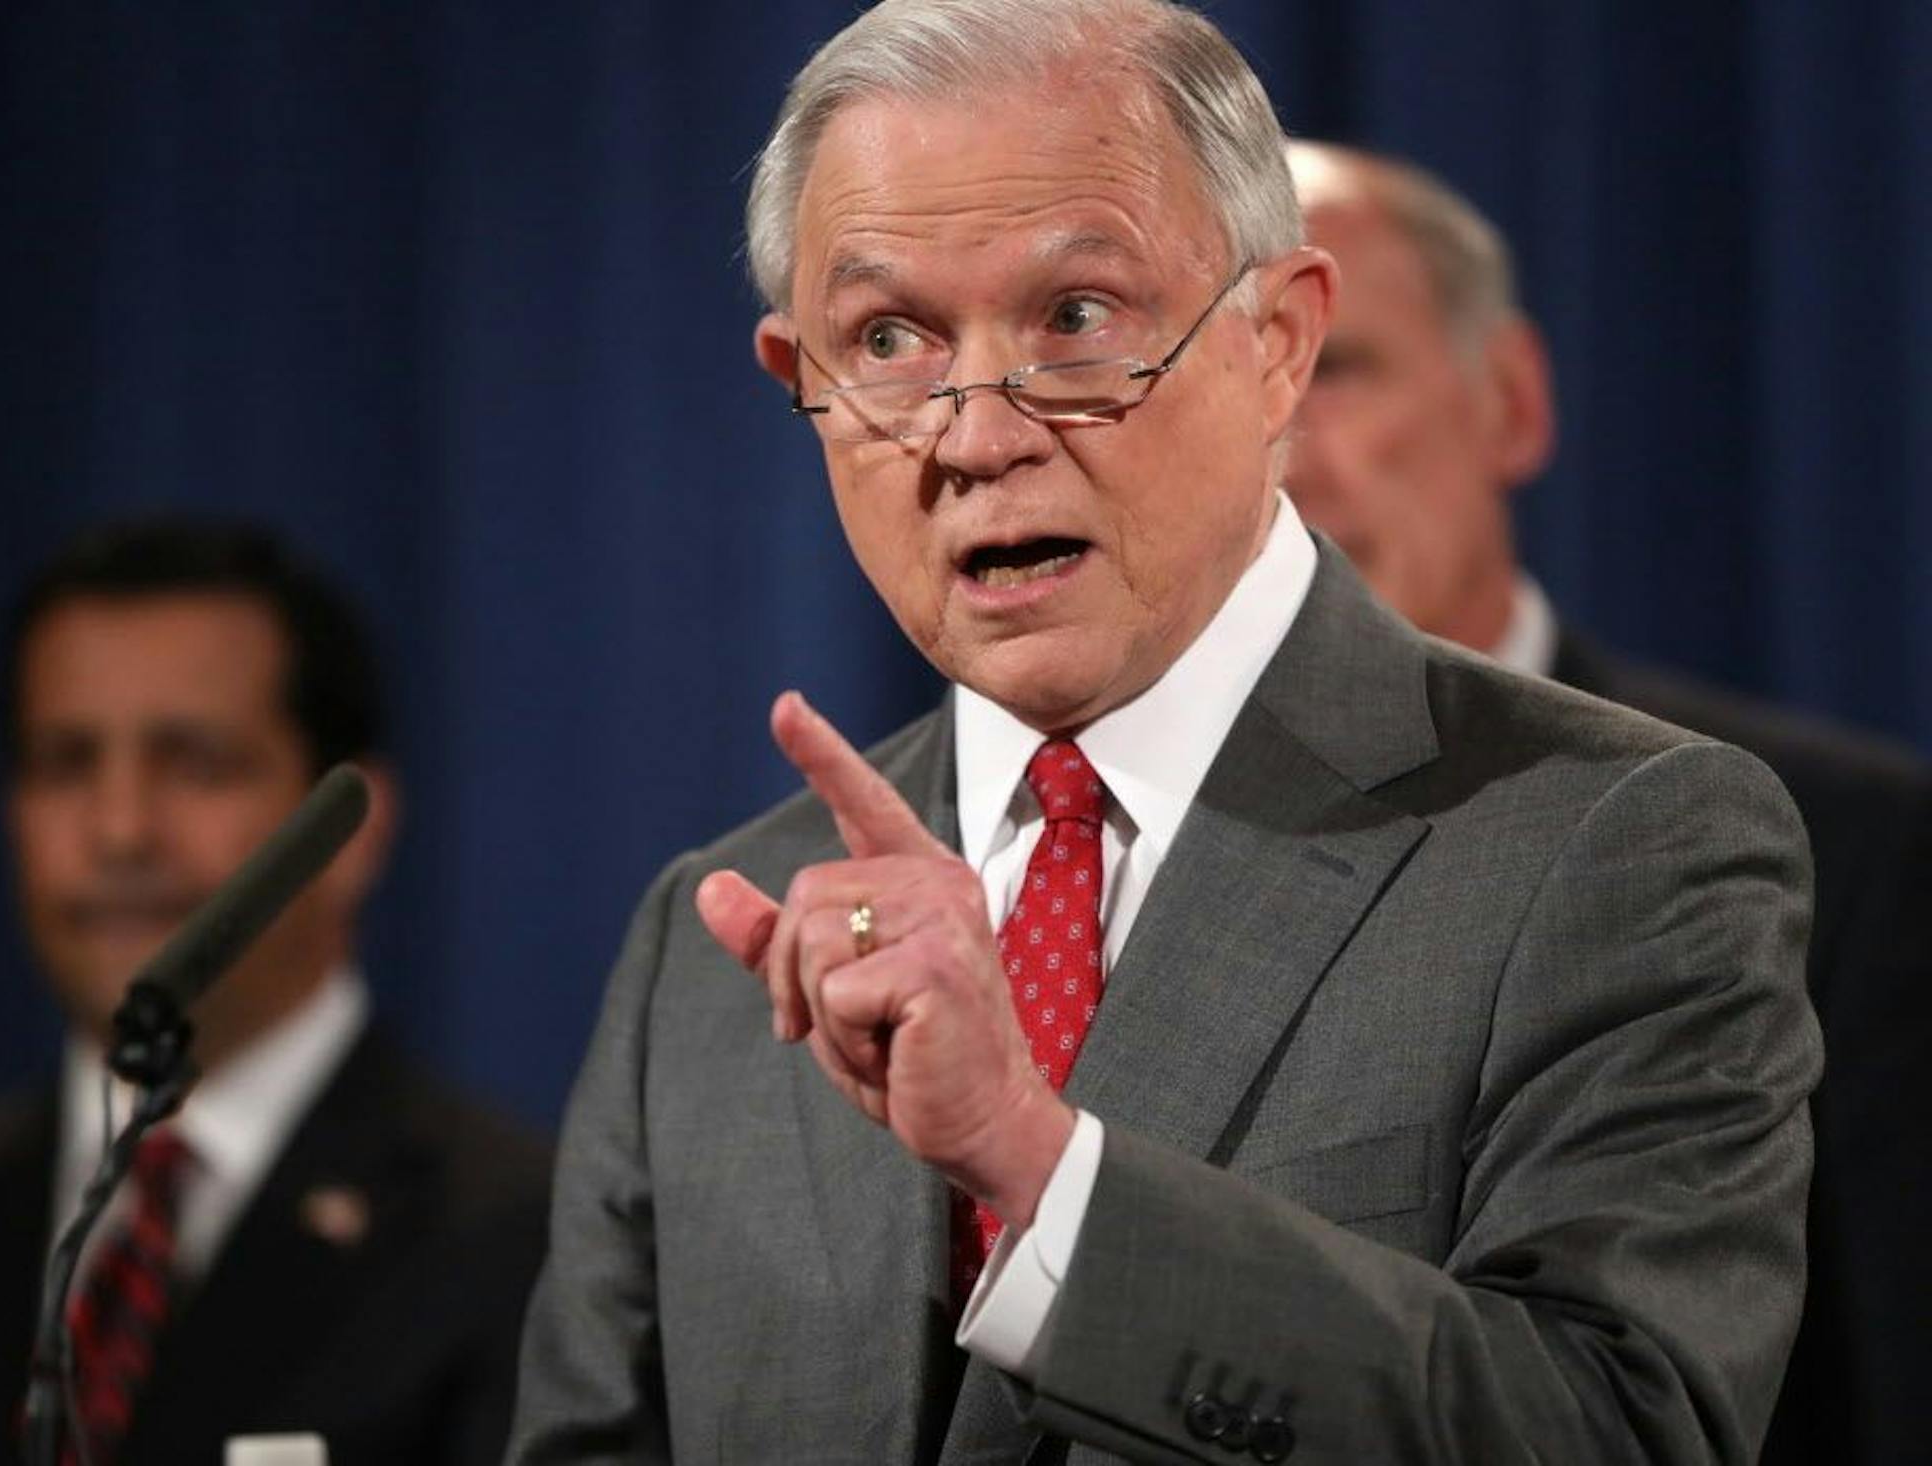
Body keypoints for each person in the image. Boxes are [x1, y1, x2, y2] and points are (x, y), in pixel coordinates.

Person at [508, 2, 1821, 1462]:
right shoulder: (712, 947)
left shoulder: (1612, 841)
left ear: (1280, 344)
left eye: (1076, 320)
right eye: (888, 339)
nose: (975, 432)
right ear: (796, 381)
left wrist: (1039, 1163)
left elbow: (1617, 1431)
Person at [1283, 139, 1932, 1466]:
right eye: (1226, 386)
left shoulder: (1846, 841)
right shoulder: (1132, 849)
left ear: (1510, 400)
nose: (1275, 455)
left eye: (1332, 368)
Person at [0, 520, 551, 1464]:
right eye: (65, 761)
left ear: (354, 828)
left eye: (194, 762)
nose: (119, 830)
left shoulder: (533, 1254)